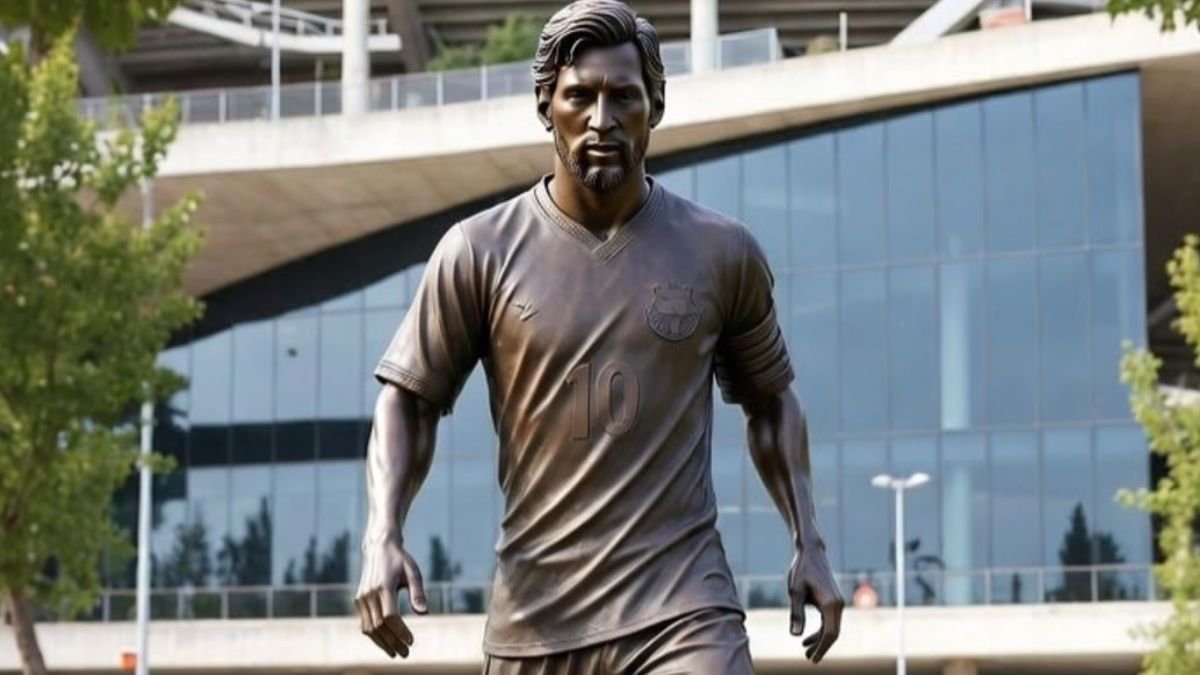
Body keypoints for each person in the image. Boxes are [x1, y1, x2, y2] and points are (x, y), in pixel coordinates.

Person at [353, 1, 844, 672]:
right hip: (536, 621)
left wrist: (808, 537)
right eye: (579, 96)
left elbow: (772, 400)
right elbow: (407, 400)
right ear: (546, 106)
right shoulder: (478, 251)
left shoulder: (721, 252)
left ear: (655, 107)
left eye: (624, 97)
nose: (601, 119)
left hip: (683, 609)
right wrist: (381, 534)